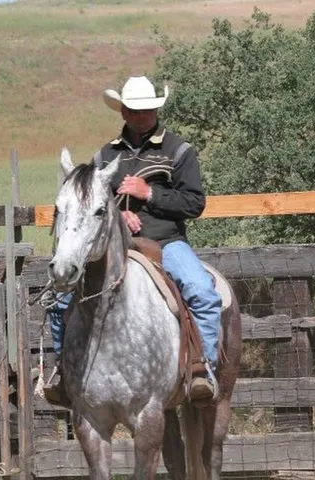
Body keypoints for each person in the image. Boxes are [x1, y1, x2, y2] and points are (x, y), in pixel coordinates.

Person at [47, 75, 222, 403]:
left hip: (166, 242)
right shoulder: (104, 156)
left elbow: (194, 203)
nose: (142, 116)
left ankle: (202, 368)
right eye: (135, 110)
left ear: (156, 110)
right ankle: (63, 370)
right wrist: (117, 214)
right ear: (123, 112)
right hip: (115, 247)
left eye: (148, 110)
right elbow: (92, 205)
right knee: (60, 301)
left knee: (201, 291)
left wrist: (150, 193)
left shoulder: (179, 151)